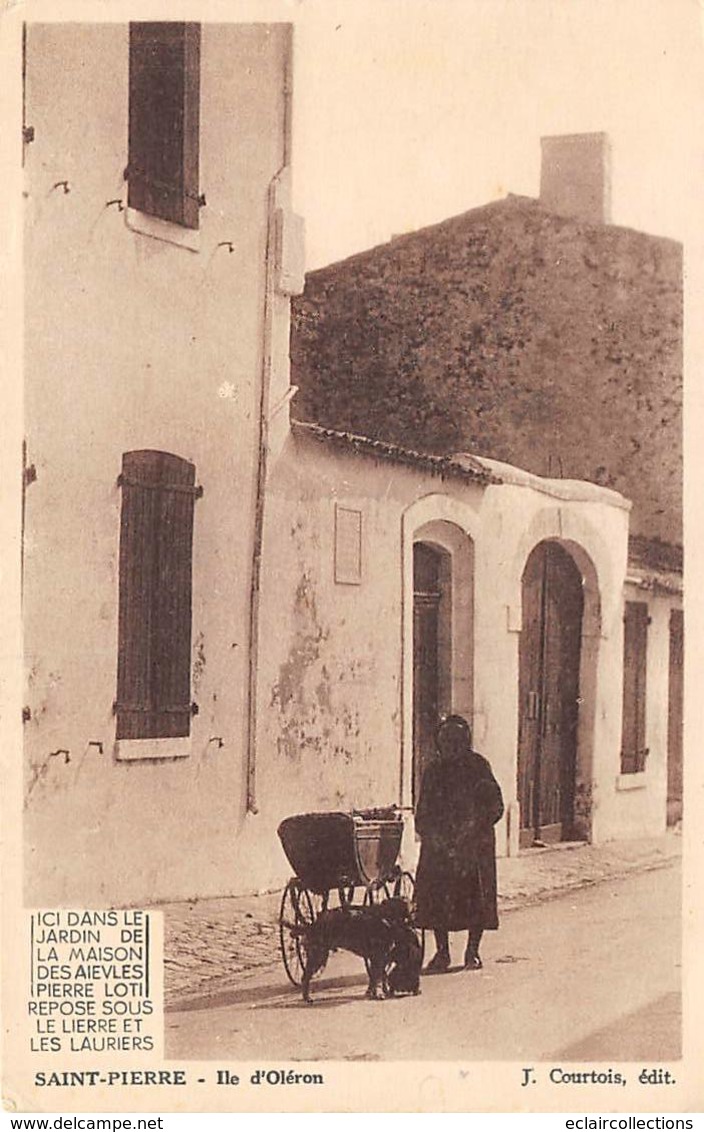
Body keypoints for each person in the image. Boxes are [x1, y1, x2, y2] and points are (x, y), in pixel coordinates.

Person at [414, 714, 504, 973]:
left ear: (465, 742)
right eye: (445, 741)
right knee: (436, 898)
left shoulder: (478, 767)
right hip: (440, 845)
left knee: (476, 896)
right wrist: (436, 838)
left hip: (473, 844)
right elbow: (423, 813)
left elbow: (494, 806)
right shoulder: (433, 772)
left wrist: (472, 830)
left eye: (456, 740)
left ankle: (472, 951)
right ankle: (442, 953)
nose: (450, 746)